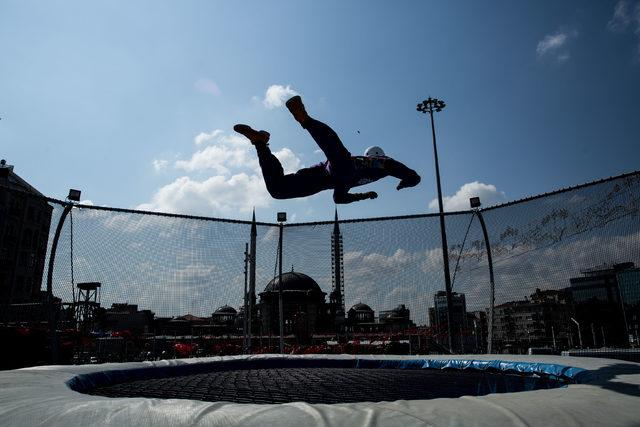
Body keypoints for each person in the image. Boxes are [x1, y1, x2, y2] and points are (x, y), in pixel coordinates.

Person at [234, 95, 421, 204]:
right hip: (335, 169)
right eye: (374, 161)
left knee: (277, 190)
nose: (375, 164)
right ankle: (304, 119)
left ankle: (260, 142)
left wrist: (364, 195)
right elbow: (403, 170)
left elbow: (339, 199)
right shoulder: (383, 165)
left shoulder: (355, 180)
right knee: (340, 159)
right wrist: (409, 179)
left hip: (321, 179)